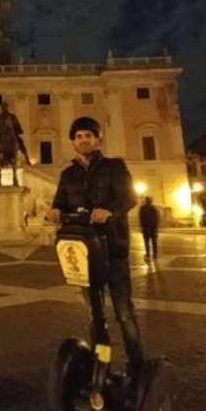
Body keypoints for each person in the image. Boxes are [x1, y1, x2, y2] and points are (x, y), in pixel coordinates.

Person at [47, 116, 145, 378]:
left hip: (113, 248)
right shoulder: (68, 174)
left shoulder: (115, 166)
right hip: (84, 251)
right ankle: (103, 367)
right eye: (79, 136)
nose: (83, 140)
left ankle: (137, 366)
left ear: (98, 140)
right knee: (95, 314)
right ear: (73, 142)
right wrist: (55, 211)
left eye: (88, 136)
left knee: (124, 312)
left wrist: (108, 211)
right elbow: (59, 202)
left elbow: (129, 197)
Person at [138, 196, 160, 263]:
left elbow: (141, 218)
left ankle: (148, 254)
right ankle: (155, 255)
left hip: (146, 228)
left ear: (146, 201)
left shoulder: (142, 208)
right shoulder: (154, 208)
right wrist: (156, 228)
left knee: (146, 242)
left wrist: (142, 226)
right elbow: (157, 219)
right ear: (151, 201)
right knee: (154, 242)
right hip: (153, 228)